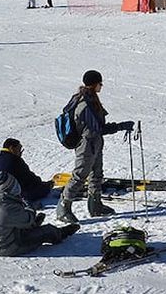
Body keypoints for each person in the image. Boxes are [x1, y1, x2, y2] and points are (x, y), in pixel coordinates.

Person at [55, 70, 135, 223]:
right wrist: (120, 126)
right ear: (94, 84)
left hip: (94, 142)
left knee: (97, 174)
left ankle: (95, 204)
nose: (102, 86)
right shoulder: (85, 104)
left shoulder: (90, 99)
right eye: (100, 83)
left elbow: (98, 128)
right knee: (80, 176)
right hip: (87, 144)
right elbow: (98, 128)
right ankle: (63, 207)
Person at [0, 171, 78, 256]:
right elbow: (28, 218)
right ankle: (60, 233)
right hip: (4, 247)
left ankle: (33, 226)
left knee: (17, 223)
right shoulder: (7, 208)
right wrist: (31, 207)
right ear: (9, 189)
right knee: (46, 231)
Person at [0, 138, 53, 204]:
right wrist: (45, 185)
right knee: (38, 190)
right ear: (11, 148)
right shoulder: (15, 159)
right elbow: (29, 178)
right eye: (19, 149)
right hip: (9, 195)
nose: (21, 152)